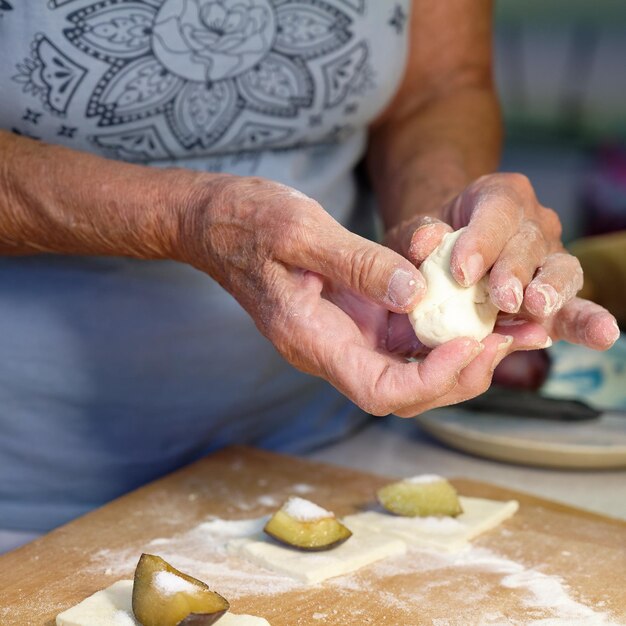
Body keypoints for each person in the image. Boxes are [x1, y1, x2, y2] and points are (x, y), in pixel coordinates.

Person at [0, 0, 618, 550]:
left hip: (321, 449)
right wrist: (186, 218)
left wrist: (443, 237)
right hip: (28, 483)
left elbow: (439, 88)